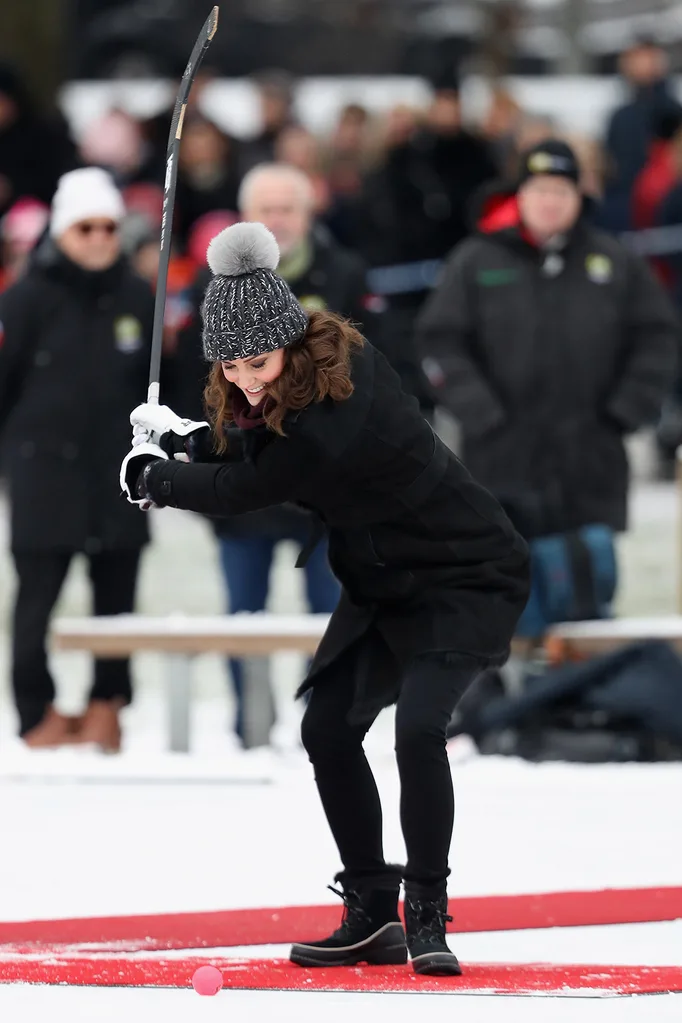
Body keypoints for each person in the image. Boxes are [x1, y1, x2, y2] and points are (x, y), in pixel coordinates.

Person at [120, 221, 530, 974]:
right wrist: (179, 437)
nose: (245, 378)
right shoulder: (288, 388)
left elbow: (255, 482)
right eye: (231, 365)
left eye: (258, 361)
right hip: (384, 584)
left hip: (466, 574)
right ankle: (372, 912)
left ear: (292, 343)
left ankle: (428, 913)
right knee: (329, 732)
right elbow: (251, 444)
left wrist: (156, 479)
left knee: (417, 730)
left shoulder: (342, 398)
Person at [416, 140, 677, 610]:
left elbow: (658, 338)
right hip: (499, 468)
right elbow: (438, 341)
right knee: (503, 609)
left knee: (588, 603)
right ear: (519, 195)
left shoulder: (616, 263)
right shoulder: (476, 261)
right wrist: (481, 413)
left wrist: (626, 410)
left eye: (561, 189)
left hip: (589, 470)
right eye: (539, 189)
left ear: (580, 198)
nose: (550, 200)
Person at [176, 163, 381, 745]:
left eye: (287, 208)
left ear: (308, 213)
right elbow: (197, 374)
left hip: (326, 484)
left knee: (330, 611)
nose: (277, 220)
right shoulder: (207, 285)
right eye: (265, 209)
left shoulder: (344, 273)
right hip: (244, 475)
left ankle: (329, 723)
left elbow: (374, 369)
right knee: (245, 611)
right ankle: (251, 726)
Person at [0, 168, 155, 751]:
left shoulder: (140, 295)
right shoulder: (25, 298)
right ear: (62, 230)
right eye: (85, 226)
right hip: (45, 472)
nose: (97, 238)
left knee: (118, 595)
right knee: (37, 596)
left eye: (108, 226)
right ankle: (33, 709)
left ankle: (106, 702)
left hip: (120, 470)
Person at [603, 35, 682, 232]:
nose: (643, 65)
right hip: (626, 212)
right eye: (637, 59)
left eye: (649, 58)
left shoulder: (672, 111)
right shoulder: (620, 116)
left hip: (664, 210)